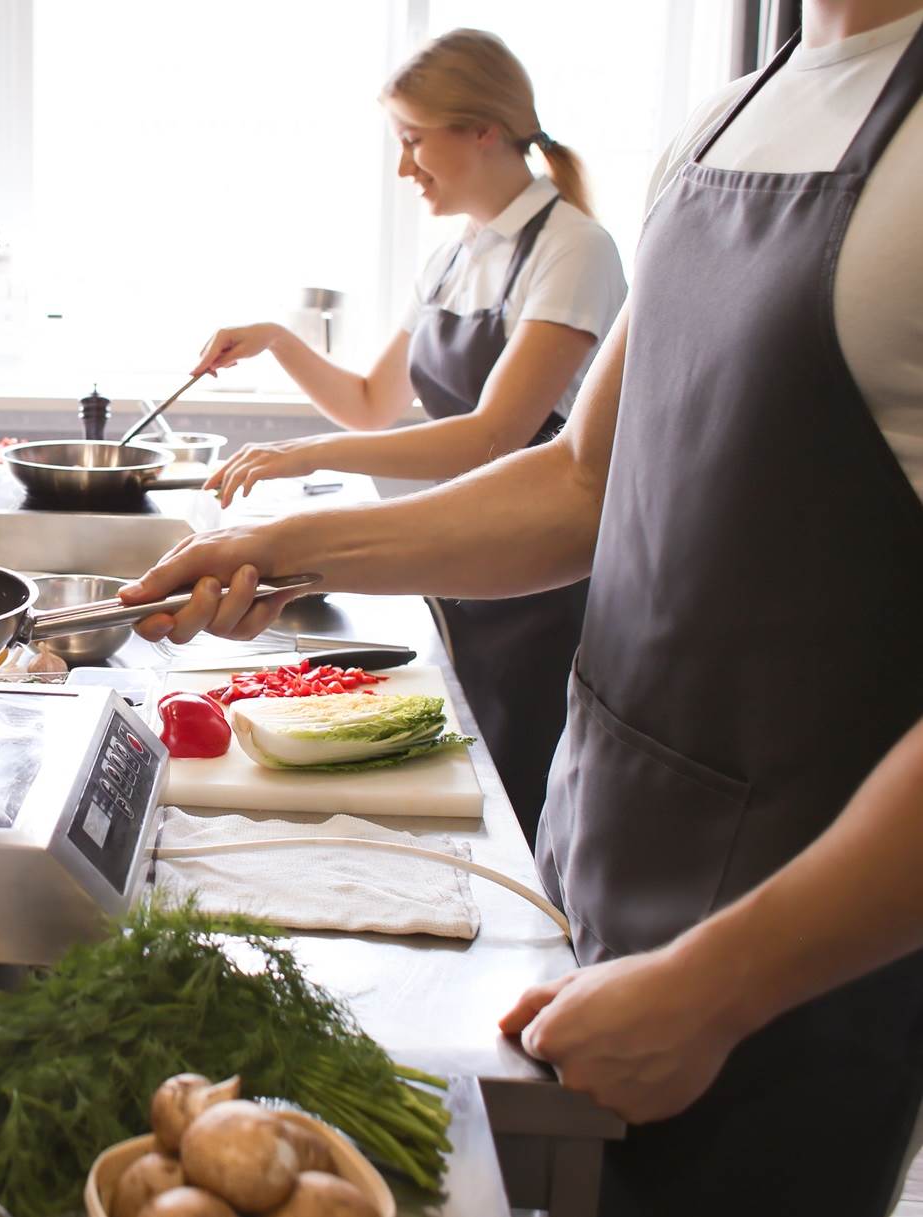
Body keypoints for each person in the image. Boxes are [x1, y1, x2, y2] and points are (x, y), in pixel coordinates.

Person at [119, 1, 923, 1212]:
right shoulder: (720, 127)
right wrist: (285, 549)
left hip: (795, 949)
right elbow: (580, 482)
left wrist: (724, 982)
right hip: (602, 845)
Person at [191, 30, 626, 842]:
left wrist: (302, 455)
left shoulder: (575, 250)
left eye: (414, 140)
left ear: (483, 129)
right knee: (464, 787)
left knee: (518, 798)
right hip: (460, 563)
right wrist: (279, 339)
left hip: (539, 585)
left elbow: (491, 438)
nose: (404, 167)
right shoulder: (452, 259)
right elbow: (368, 402)